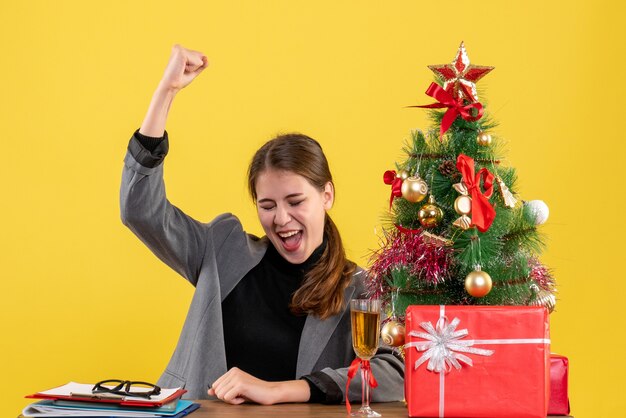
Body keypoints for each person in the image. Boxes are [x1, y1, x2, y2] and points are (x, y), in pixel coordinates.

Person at [120, 45, 404, 405]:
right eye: (267, 205)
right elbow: (139, 210)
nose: (281, 219)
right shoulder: (224, 250)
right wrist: (166, 92)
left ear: (327, 196)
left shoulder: (360, 288)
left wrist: (279, 390)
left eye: (295, 202)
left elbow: (395, 375)